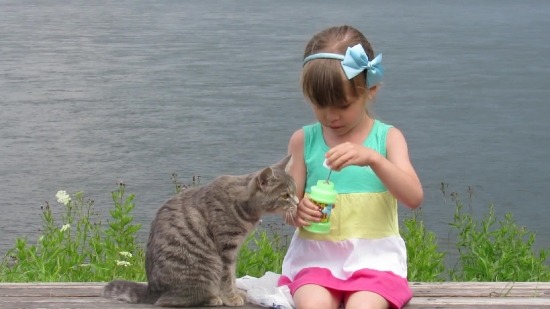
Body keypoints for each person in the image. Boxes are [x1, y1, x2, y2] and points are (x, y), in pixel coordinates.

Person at [278, 25, 424, 309]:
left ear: (370, 90)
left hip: (375, 262)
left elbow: (413, 197)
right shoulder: (303, 141)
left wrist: (374, 159)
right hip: (316, 260)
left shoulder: (387, 139)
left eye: (342, 105)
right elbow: (286, 205)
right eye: (320, 105)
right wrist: (296, 211)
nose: (331, 116)